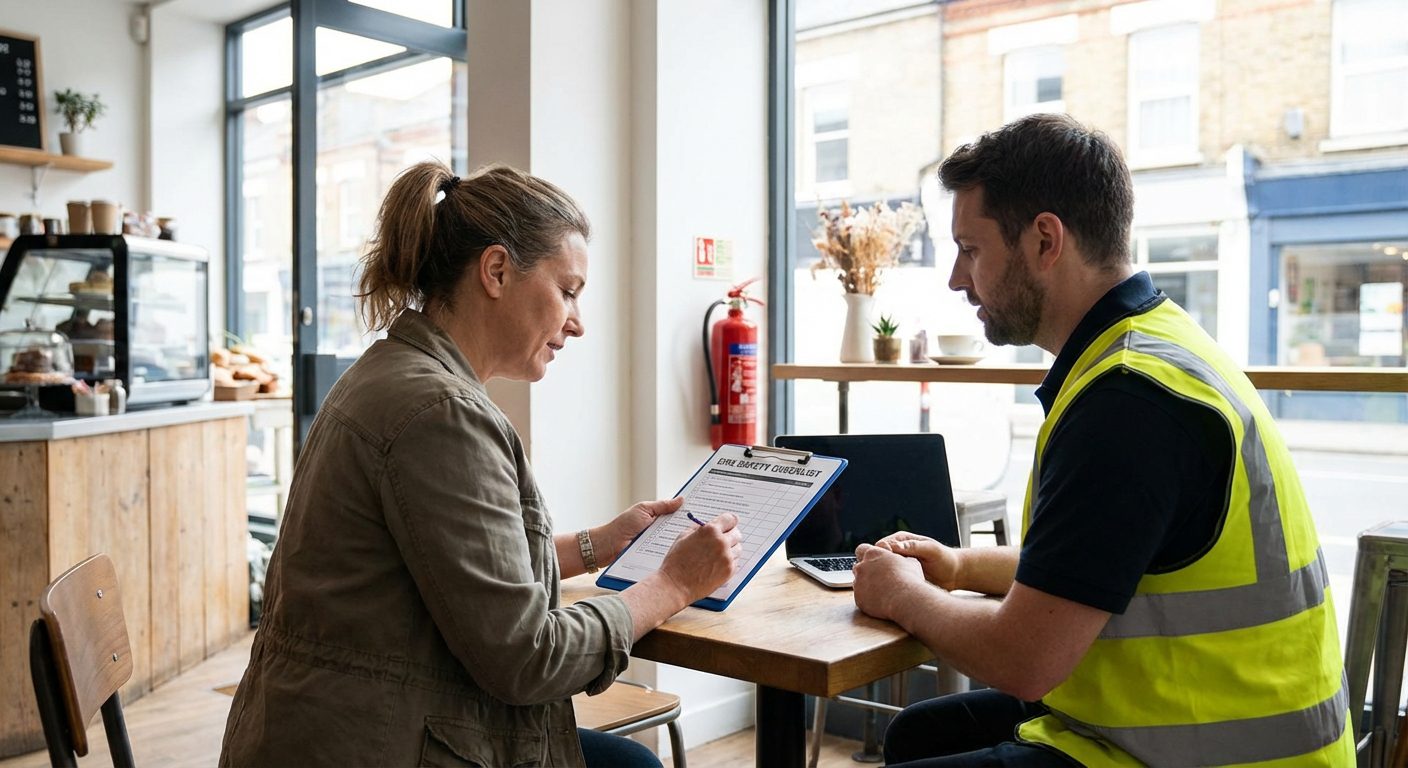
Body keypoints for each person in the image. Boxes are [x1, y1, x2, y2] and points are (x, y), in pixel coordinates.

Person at [851, 114, 1352, 767]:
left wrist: (903, 594)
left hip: (1207, 756)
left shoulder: (1127, 404)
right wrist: (960, 565)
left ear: (1044, 240)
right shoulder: (1153, 347)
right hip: (1186, 725)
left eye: (970, 249)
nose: (956, 278)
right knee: (922, 734)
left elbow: (1023, 661)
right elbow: (1102, 569)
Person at [220, 161, 743, 768]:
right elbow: (528, 658)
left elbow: (456, 577)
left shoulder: (393, 372)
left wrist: (598, 545)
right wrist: (673, 584)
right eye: (567, 291)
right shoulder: (439, 414)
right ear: (496, 270)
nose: (578, 323)